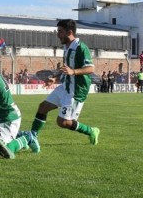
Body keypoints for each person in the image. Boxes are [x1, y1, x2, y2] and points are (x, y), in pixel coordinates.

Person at [28, 19, 100, 152]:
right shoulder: (66, 48)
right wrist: (55, 79)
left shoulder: (81, 48)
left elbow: (90, 68)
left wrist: (74, 72)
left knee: (63, 122)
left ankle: (91, 131)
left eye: (60, 31)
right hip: (65, 87)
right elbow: (66, 69)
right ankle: (32, 137)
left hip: (75, 91)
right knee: (42, 107)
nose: (57, 34)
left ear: (70, 32)